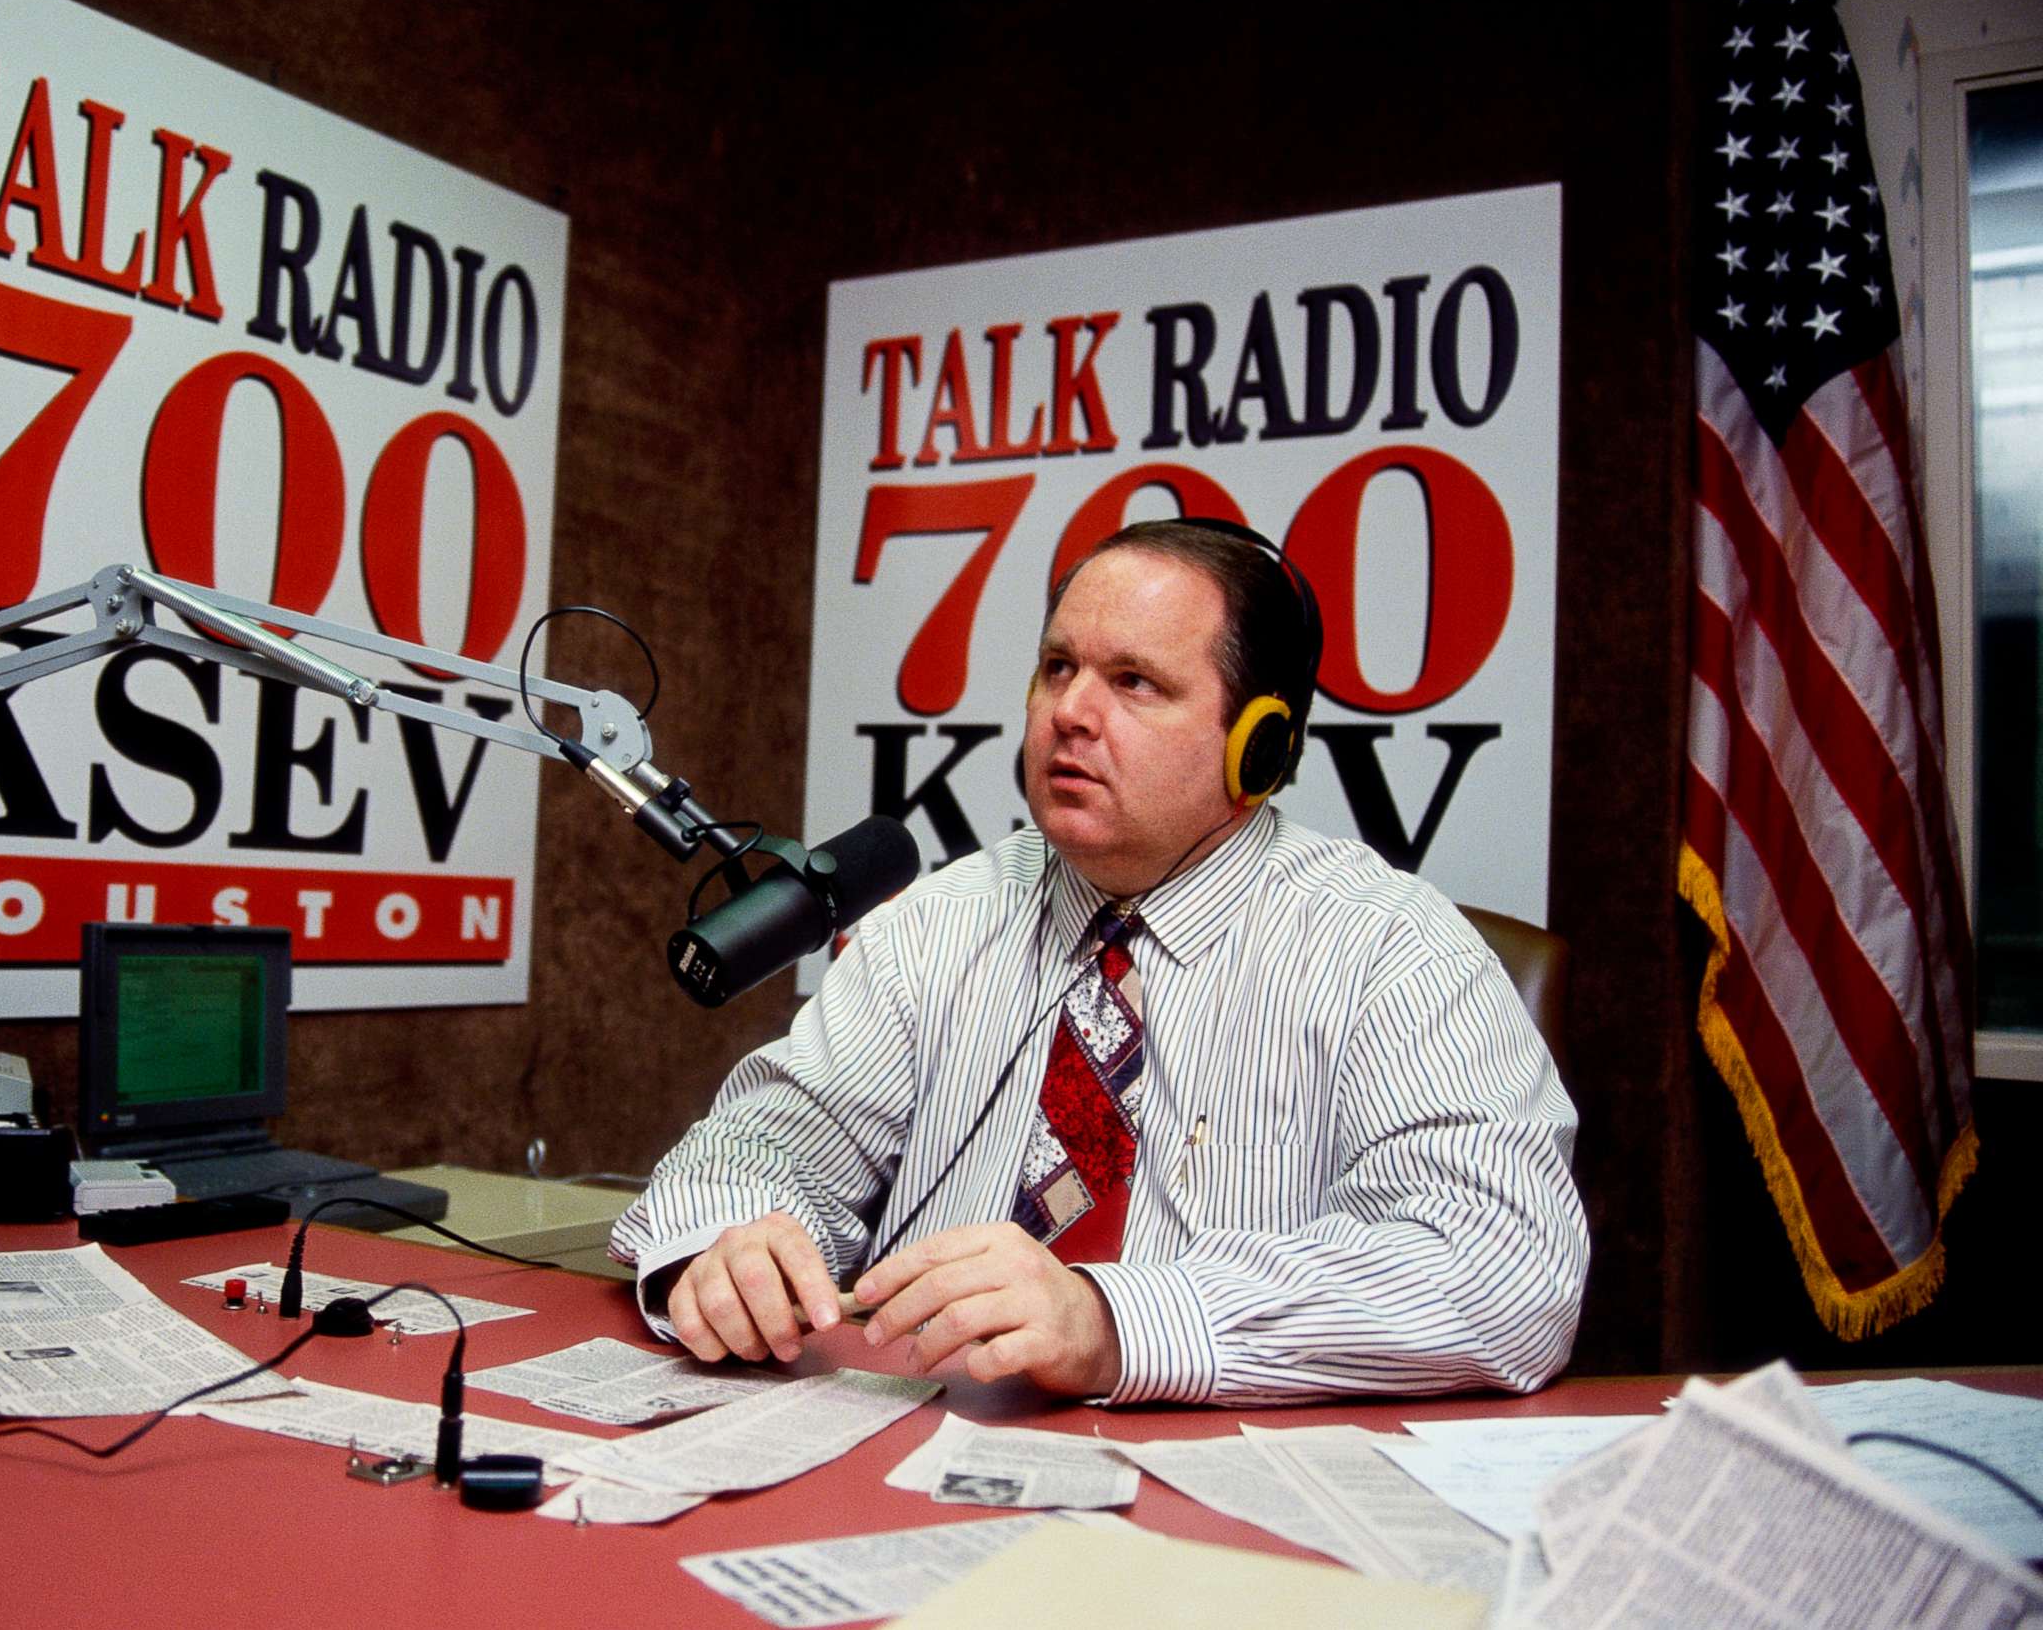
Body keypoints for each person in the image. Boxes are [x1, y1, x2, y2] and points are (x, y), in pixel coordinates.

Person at [606, 518, 1587, 1406]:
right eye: (1058, 667)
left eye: (1134, 682)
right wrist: (727, 1242)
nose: (1070, 712)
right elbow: (765, 1142)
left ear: (1260, 746)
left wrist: (1114, 1323)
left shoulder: (1391, 947)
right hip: (898, 1454)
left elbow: (1498, 1269)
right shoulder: (946, 916)